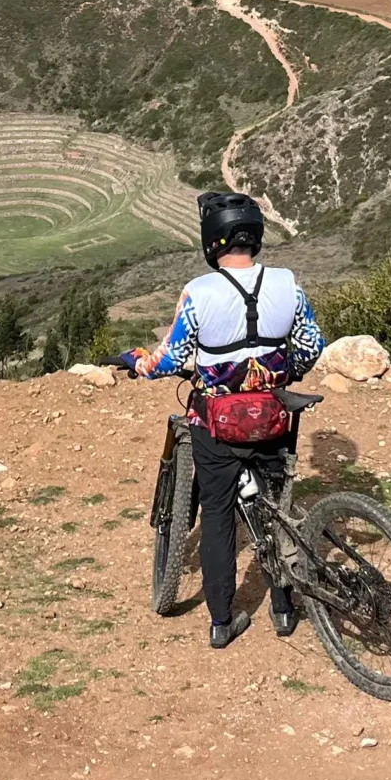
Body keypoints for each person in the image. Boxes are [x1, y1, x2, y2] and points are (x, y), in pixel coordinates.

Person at [134, 192, 325, 650]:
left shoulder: (199, 292)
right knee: (276, 506)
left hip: (217, 424)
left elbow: (172, 358)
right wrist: (282, 370)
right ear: (254, 236)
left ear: (211, 239)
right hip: (274, 415)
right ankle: (283, 609)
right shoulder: (288, 284)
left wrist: (138, 363)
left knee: (218, 515)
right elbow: (312, 344)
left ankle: (222, 621)